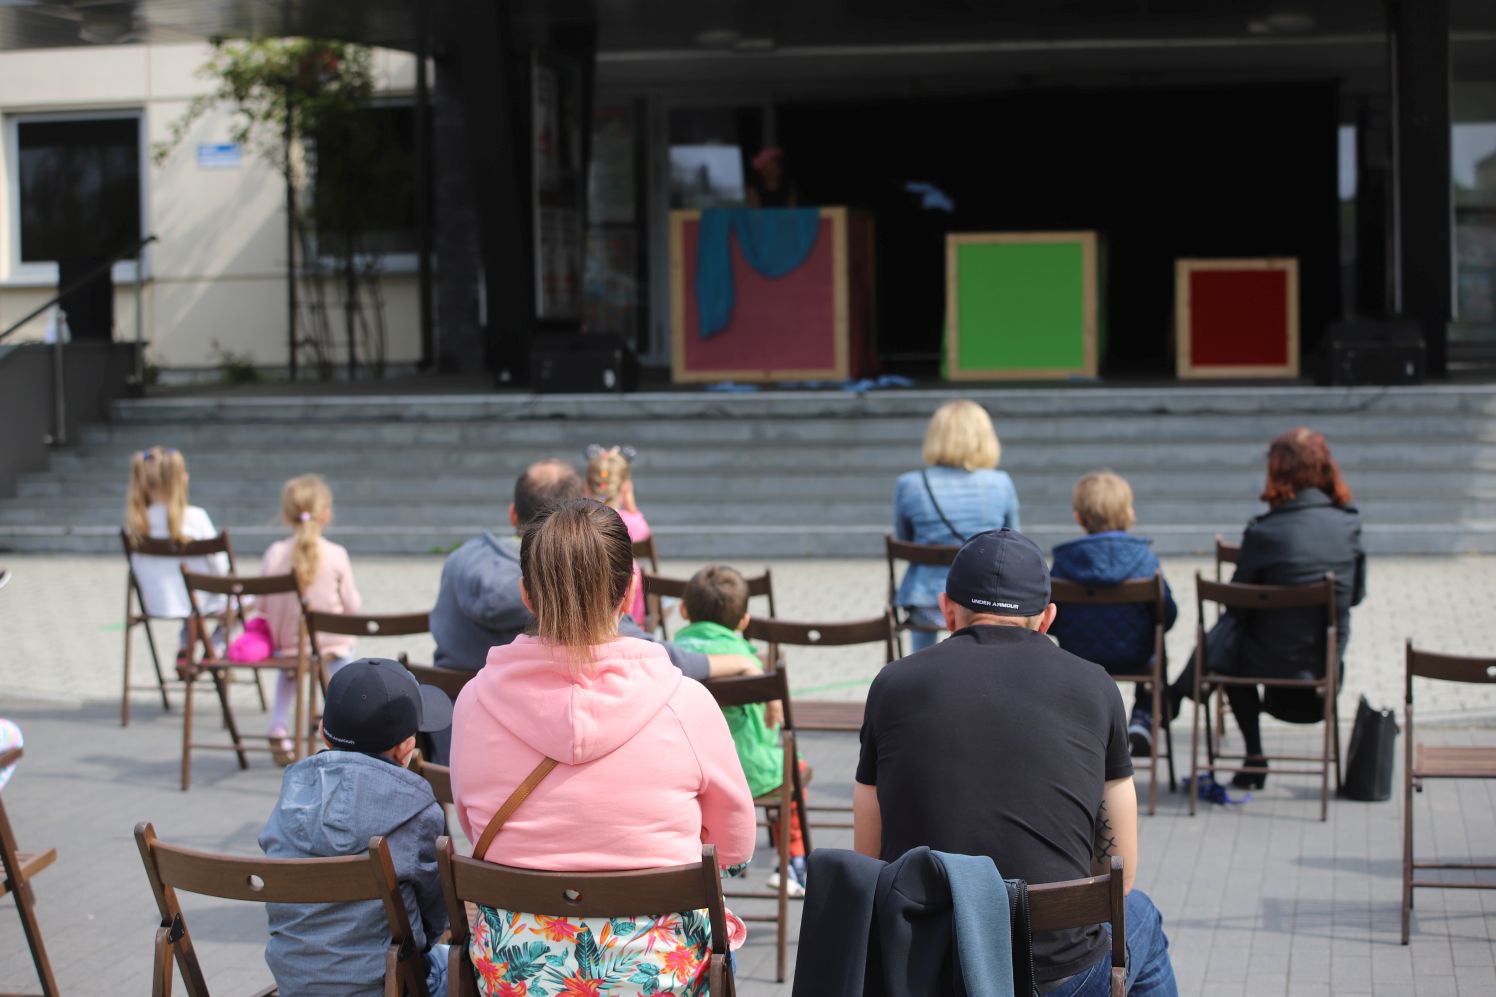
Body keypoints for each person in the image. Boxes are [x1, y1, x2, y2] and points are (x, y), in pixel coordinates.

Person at [449, 500, 757, 995]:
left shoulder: (473, 702)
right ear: (630, 590)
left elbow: (471, 820)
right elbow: (736, 845)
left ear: (526, 595)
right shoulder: (685, 703)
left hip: (519, 975)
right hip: (656, 974)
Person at [854, 529, 1177, 996]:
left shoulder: (892, 685)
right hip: (1057, 970)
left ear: (947, 610)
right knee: (1142, 915)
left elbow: (870, 859)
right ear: (1047, 618)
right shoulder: (1096, 686)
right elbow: (1118, 875)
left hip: (928, 964)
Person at [430, 458, 757, 681]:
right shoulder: (572, 579)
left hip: (449, 753)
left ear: (514, 514)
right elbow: (643, 654)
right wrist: (738, 661)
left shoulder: (460, 562)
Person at [1166, 427, 1366, 788]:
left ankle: (1251, 754)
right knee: (1234, 637)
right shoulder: (1349, 525)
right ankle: (1176, 693)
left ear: (1277, 471)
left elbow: (1237, 606)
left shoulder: (1264, 531)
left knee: (1229, 641)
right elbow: (1354, 597)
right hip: (1322, 665)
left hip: (1257, 666)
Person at [260, 657, 453, 997]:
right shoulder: (418, 809)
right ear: (406, 747)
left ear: (323, 732)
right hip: (390, 986)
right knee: (463, 964)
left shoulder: (289, 796)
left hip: (296, 985)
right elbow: (435, 919)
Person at [672, 564, 806, 896]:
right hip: (745, 772)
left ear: (683, 610)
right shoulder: (748, 661)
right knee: (791, 767)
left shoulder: (670, 653)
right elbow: (764, 731)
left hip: (686, 773)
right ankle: (792, 860)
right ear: (744, 620)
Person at [1050, 471, 1178, 757]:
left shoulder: (1063, 562)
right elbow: (1166, 615)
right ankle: (1143, 718)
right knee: (1159, 653)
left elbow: (1051, 617)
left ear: (1079, 518)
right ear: (1128, 513)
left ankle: (1084, 724)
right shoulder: (1145, 559)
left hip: (1078, 658)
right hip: (1136, 657)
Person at [893, 400, 1021, 651]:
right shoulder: (1001, 483)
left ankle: (921, 675)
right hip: (986, 598)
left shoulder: (910, 484)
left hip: (927, 599)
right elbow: (1014, 541)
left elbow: (904, 538)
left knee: (922, 647)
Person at [258, 474, 362, 765]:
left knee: (290, 669)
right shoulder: (336, 553)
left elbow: (261, 605)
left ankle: (279, 724)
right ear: (326, 514)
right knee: (342, 656)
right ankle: (339, 728)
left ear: (285, 515)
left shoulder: (275, 553)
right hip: (330, 644)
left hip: (288, 644)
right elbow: (352, 607)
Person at [123, 446, 229, 661]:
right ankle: (215, 646)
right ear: (180, 480)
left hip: (156, 601)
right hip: (198, 599)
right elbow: (222, 567)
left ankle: (186, 643)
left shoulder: (135, 524)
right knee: (246, 599)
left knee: (187, 596)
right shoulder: (195, 517)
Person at [585, 445, 650, 626]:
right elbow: (643, 530)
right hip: (628, 621)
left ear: (586, 487)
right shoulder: (632, 523)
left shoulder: (578, 521)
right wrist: (630, 503)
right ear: (626, 488)